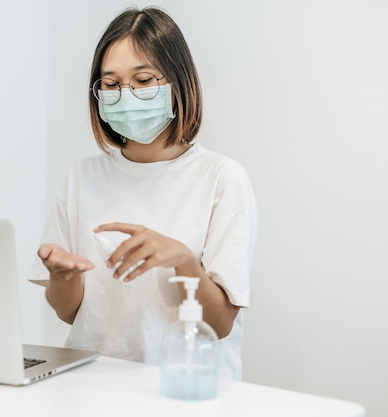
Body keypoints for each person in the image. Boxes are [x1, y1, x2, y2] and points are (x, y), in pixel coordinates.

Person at [29, 6, 258, 380]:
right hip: (91, 384)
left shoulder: (221, 178)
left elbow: (219, 325)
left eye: (144, 80)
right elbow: (70, 313)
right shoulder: (81, 176)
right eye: (111, 83)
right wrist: (63, 277)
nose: (126, 94)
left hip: (184, 388)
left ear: (179, 82)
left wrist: (183, 260)